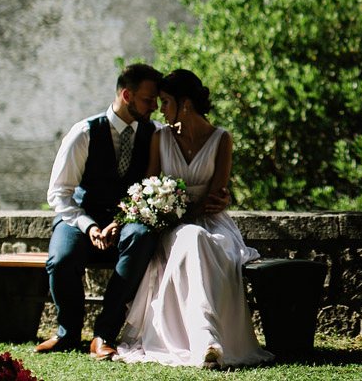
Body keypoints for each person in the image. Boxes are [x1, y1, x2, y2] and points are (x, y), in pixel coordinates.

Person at [115, 69, 274, 369]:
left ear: (184, 104)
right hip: (173, 226)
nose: (161, 109)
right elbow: (149, 186)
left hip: (213, 224)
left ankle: (207, 339)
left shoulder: (221, 139)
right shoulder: (160, 137)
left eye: (165, 101)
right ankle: (205, 340)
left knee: (201, 239)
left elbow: (215, 196)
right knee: (191, 238)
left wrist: (187, 208)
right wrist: (163, 208)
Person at [36, 63, 164, 361]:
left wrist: (122, 222)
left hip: (129, 219)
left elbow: (155, 188)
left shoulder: (155, 134)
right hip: (80, 215)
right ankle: (67, 333)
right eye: (148, 100)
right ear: (127, 95)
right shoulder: (84, 133)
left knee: (142, 237)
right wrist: (89, 226)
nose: (155, 107)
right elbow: (59, 193)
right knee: (61, 259)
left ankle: (104, 334)